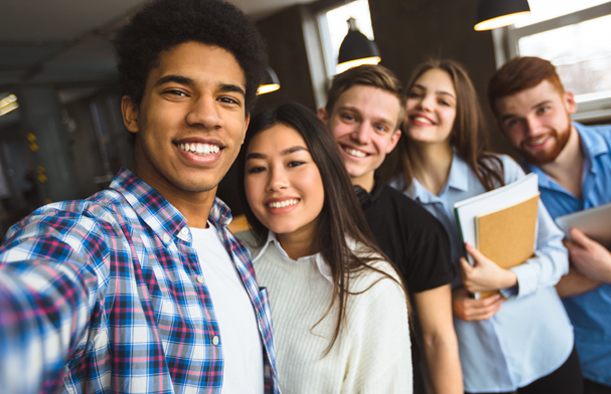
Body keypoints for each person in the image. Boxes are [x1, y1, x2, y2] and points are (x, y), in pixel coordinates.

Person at [0, 1, 280, 393]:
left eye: (227, 99)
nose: (207, 115)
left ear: (243, 125)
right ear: (132, 112)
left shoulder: (233, 247)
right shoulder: (91, 235)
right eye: (177, 91)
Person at [390, 59, 582, 394]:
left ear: (459, 115)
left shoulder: (499, 172)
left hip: (548, 352)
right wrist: (446, 303)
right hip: (475, 374)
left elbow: (556, 254)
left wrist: (509, 279)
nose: (425, 105)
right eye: (416, 95)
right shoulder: (390, 202)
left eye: (443, 100)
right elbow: (390, 301)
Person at [488, 56, 611, 394]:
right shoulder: (507, 196)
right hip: (597, 370)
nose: (532, 130)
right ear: (502, 129)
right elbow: (526, 287)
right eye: (515, 121)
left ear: (569, 102)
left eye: (543, 109)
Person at [236, 102, 412, 393]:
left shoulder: (372, 285)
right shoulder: (234, 257)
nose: (276, 182)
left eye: (294, 163)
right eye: (257, 168)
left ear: (327, 167)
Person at [317, 65, 462, 394]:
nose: (362, 136)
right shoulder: (284, 208)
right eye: (350, 117)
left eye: (380, 127)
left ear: (394, 139)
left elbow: (437, 339)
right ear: (323, 118)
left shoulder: (419, 228)